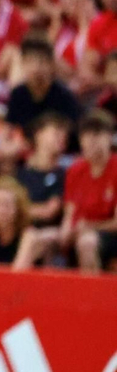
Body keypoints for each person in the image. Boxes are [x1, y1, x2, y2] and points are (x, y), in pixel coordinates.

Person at [62, 110, 117, 272]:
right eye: (87, 135)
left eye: (98, 134)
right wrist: (65, 232)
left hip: (108, 234)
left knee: (87, 242)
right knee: (37, 239)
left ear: (110, 137)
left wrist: (89, 226)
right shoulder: (75, 169)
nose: (92, 141)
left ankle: (92, 296)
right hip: (79, 230)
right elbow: (69, 212)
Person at [0, 177, 43, 270]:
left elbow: (17, 274)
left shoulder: (29, 235)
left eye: (7, 205)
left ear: (18, 209)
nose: (2, 211)